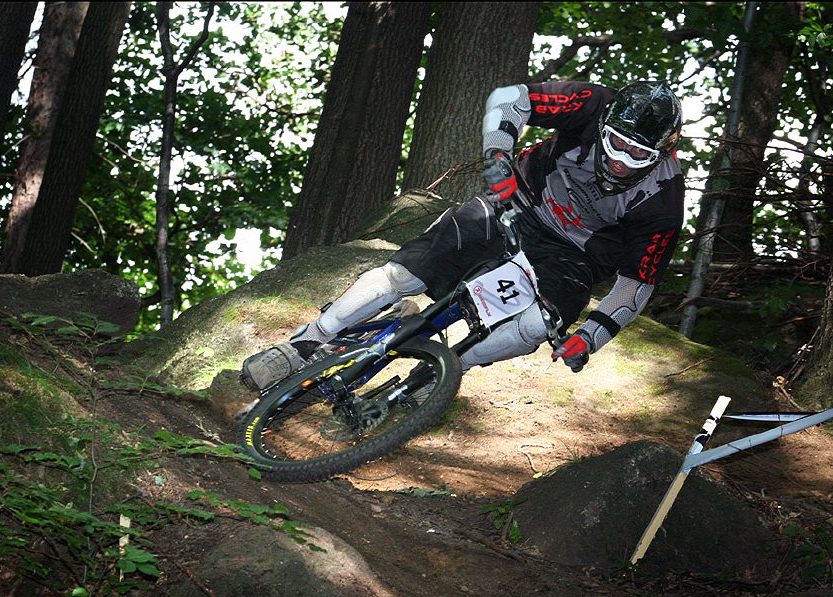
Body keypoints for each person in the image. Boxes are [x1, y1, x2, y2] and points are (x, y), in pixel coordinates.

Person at [241, 80, 684, 392]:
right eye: (616, 142)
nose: (622, 159)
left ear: (663, 152)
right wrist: (499, 155)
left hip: (573, 256)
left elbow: (636, 285)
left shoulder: (663, 202)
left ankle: (449, 371)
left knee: (539, 324)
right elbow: (511, 99)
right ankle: (306, 341)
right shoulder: (591, 102)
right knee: (404, 274)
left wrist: (590, 337)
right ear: (604, 123)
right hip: (517, 201)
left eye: (639, 153)